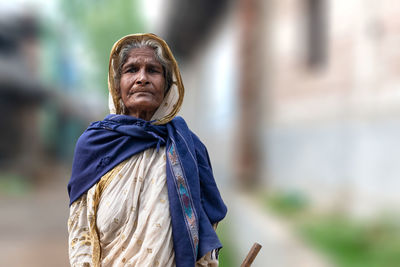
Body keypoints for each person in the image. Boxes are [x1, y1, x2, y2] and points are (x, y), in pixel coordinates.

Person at [67, 33, 227, 267]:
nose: (142, 78)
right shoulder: (95, 145)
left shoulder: (187, 147)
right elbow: (80, 231)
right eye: (131, 70)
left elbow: (204, 230)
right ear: (117, 83)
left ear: (168, 84)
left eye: (153, 70)